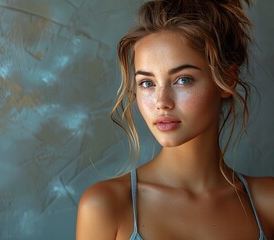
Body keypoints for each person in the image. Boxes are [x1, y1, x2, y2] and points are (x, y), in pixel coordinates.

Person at [76, 0, 274, 239]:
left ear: (227, 79)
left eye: (183, 79)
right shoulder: (106, 206)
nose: (162, 101)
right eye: (147, 83)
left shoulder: (267, 202)